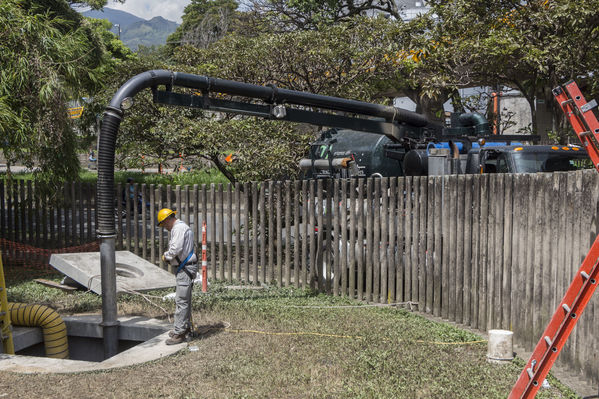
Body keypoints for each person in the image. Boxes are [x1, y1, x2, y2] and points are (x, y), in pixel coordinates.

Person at [157, 208, 198, 345]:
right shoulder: (180, 227)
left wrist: (166, 256)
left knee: (181, 301)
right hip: (185, 267)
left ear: (168, 219)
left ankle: (180, 333)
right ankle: (182, 328)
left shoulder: (178, 229)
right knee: (183, 299)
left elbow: (175, 249)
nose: (165, 228)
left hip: (185, 268)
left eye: (164, 225)